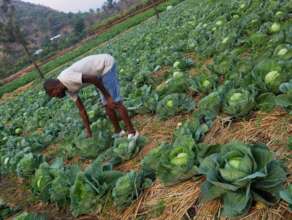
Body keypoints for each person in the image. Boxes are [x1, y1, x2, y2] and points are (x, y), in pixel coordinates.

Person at [43, 54, 138, 139]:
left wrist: (108, 97)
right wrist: (88, 131)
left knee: (115, 102)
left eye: (55, 95)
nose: (57, 97)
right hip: (98, 73)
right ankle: (118, 131)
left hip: (105, 65)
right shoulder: (67, 89)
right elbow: (82, 110)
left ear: (54, 89)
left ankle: (132, 132)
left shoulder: (66, 78)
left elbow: (94, 79)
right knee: (107, 106)